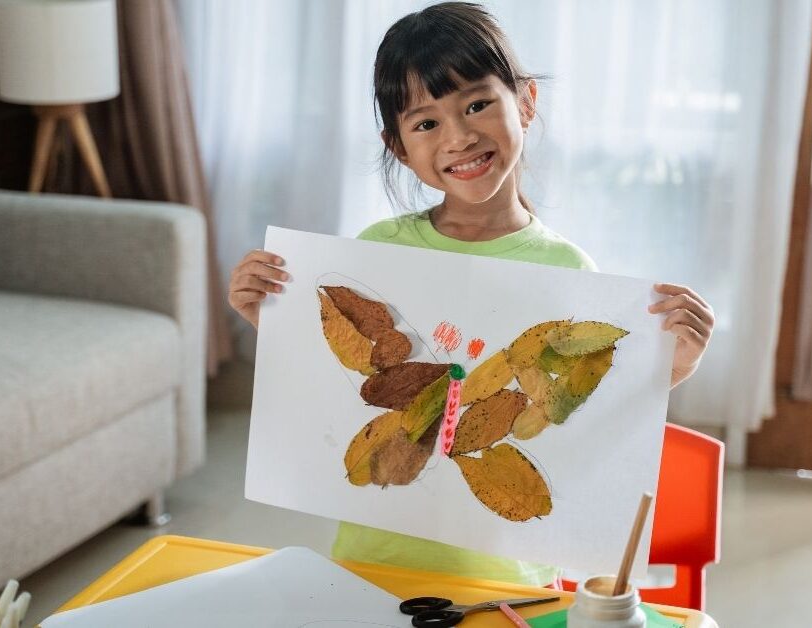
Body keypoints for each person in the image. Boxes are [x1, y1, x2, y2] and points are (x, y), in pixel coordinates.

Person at [227, 2, 714, 587]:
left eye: (478, 104)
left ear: (526, 102)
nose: (459, 137)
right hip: (375, 558)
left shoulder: (565, 269)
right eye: (426, 122)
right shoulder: (376, 251)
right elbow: (343, 386)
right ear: (398, 145)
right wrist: (273, 320)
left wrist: (671, 367)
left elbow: (581, 411)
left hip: (504, 571)